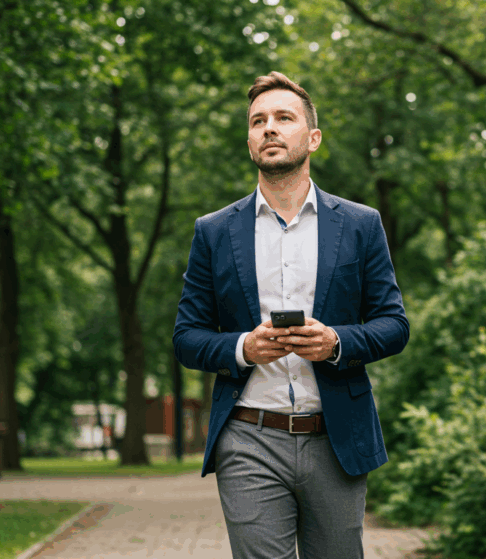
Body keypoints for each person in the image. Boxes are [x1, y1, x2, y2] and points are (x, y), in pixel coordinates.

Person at [173, 71, 409, 559]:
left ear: (313, 138)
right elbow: (187, 337)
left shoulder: (361, 225)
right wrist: (243, 347)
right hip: (248, 437)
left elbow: (394, 325)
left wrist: (336, 343)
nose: (269, 128)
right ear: (249, 142)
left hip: (335, 437)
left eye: (284, 117)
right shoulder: (213, 231)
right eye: (258, 121)